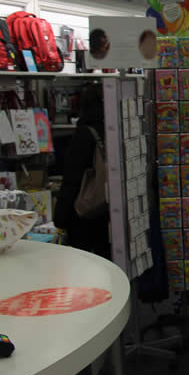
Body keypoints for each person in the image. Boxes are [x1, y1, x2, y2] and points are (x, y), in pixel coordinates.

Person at [53, 84, 110, 259]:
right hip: (107, 208)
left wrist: (60, 217)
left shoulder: (85, 134)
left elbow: (72, 178)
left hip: (83, 212)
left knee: (83, 260)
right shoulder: (113, 130)